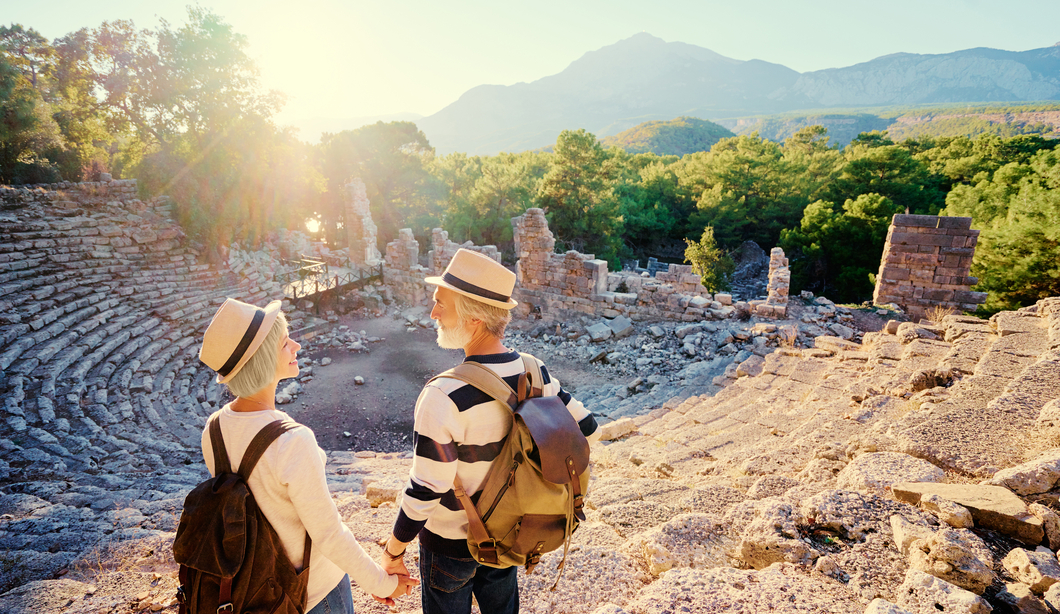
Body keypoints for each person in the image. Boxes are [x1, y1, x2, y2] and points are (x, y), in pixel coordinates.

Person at [378, 249, 600, 614]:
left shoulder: (442, 395)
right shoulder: (535, 371)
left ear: (475, 318)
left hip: (450, 547)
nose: (432, 313)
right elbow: (588, 430)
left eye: (441, 304)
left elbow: (427, 488)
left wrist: (393, 551)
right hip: (512, 533)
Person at [198, 298, 418, 613]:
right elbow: (328, 535)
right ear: (263, 360)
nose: (297, 346)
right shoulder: (292, 441)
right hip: (312, 594)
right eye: (286, 343)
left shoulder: (214, 429)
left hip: (253, 588)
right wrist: (383, 583)